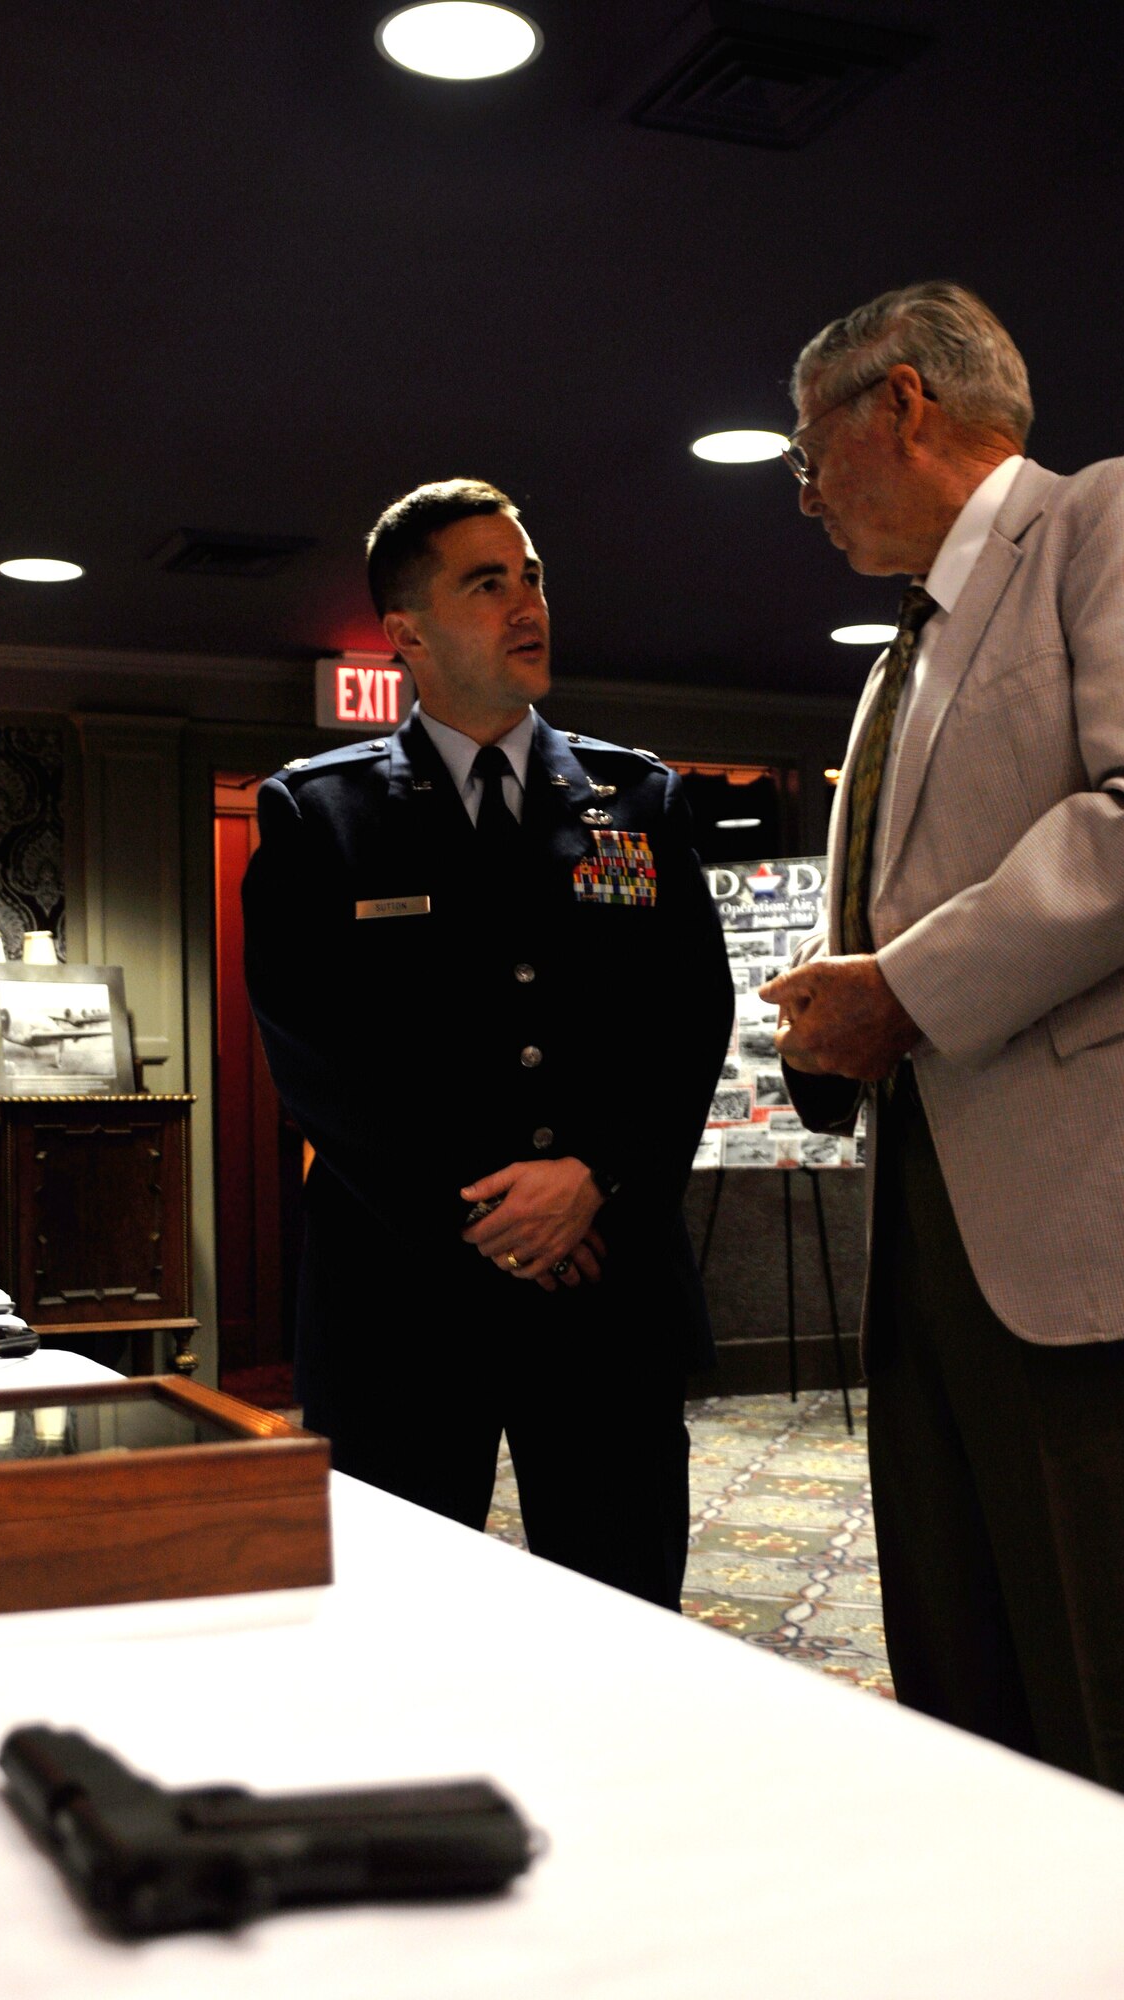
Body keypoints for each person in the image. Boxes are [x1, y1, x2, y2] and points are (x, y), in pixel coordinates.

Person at [761, 281, 1124, 1824]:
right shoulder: (897, 660)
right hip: (928, 1228)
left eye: (806, 451)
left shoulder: (1110, 515)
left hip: (1104, 1228)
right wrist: (846, 1018)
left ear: (901, 401)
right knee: (973, 1686)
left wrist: (905, 990)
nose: (804, 493)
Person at [243, 478, 734, 1609]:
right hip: (401, 1300)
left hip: (604, 1285)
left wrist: (594, 1178)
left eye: (532, 577)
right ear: (406, 633)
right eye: (486, 583)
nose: (527, 605)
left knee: (624, 1616)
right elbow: (318, 1064)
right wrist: (493, 1219)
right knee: (403, 1626)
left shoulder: (635, 798)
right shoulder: (320, 815)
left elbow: (687, 1021)